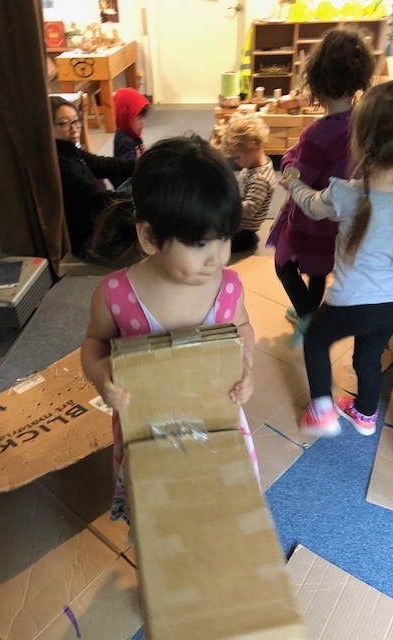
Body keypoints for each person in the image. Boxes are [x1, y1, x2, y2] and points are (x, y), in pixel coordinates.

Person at [81, 134, 259, 526]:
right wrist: (101, 376)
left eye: (225, 238)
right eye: (199, 243)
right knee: (158, 517)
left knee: (219, 510)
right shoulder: (116, 295)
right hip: (149, 431)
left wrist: (245, 364)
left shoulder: (229, 287)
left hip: (217, 423)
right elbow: (94, 343)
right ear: (149, 237)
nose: (217, 257)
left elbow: (243, 327)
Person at [279, 78, 393, 438]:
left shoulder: (345, 193)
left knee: (316, 339)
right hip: (392, 306)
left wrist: (292, 181)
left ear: (361, 142)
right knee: (368, 358)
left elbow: (312, 206)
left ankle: (322, 411)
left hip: (349, 302)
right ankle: (365, 415)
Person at [267, 27, 375, 343]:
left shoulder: (317, 133)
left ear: (316, 80)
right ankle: (310, 308)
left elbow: (299, 178)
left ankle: (308, 319)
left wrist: (289, 161)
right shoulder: (363, 121)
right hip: (340, 218)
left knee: (284, 264)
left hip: (309, 217)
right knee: (318, 268)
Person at [50, 96, 135, 258]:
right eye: (64, 123)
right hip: (90, 238)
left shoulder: (69, 149)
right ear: (48, 127)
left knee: (140, 179)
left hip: (99, 219)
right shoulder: (58, 162)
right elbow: (95, 198)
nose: (74, 129)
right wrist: (140, 200)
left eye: (76, 121)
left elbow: (101, 164)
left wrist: (143, 164)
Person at [221, 114, 277, 252]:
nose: (236, 162)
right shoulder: (253, 166)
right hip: (239, 223)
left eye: (237, 157)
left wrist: (224, 209)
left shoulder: (260, 178)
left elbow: (248, 211)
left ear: (252, 148)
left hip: (242, 232)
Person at [113, 87, 151, 161]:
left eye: (144, 118)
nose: (143, 122)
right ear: (126, 116)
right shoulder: (125, 141)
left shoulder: (131, 135)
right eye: (140, 118)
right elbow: (128, 165)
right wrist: (140, 162)